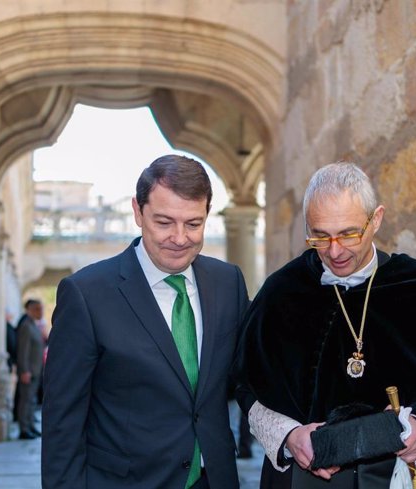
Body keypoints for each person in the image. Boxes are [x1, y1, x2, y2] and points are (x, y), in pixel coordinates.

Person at [237, 162, 416, 488]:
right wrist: (289, 436)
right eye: (320, 237)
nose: (335, 251)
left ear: (376, 219)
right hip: (304, 477)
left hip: (398, 474)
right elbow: (247, 388)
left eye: (348, 234)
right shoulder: (281, 292)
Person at [42, 155, 249, 489]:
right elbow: (62, 422)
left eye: (193, 224)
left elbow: (251, 376)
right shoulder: (86, 294)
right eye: (164, 222)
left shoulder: (228, 283)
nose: (180, 238)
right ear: (138, 212)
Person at [16, 299, 45, 440]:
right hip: (29, 371)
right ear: (31, 310)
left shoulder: (34, 325)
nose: (41, 312)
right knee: (26, 400)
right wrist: (24, 370)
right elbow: (23, 351)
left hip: (36, 370)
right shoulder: (26, 326)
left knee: (32, 400)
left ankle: (31, 425)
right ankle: (24, 428)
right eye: (38, 309)